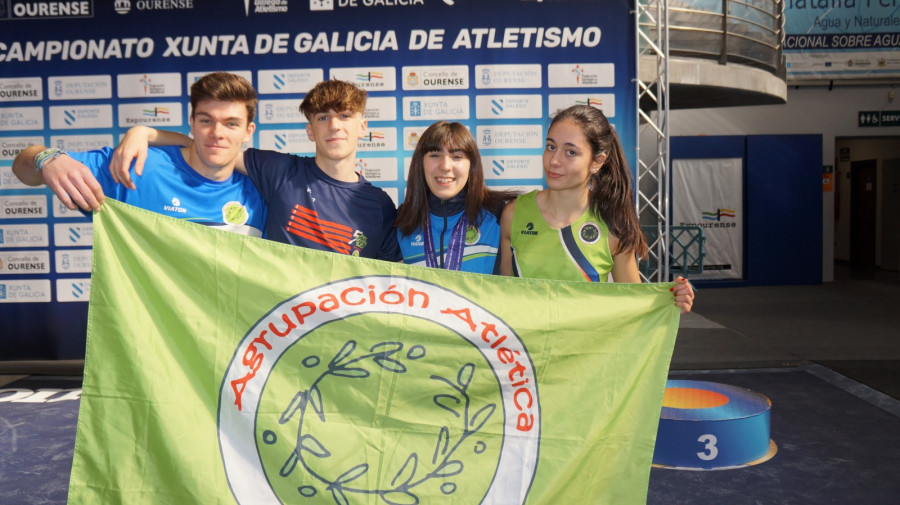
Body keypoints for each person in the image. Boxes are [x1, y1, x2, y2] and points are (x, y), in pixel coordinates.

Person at [113, 79, 401, 260]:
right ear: (310, 131)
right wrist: (146, 133)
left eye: (345, 116)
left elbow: (390, 280)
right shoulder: (279, 170)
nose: (334, 126)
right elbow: (208, 147)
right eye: (323, 117)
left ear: (363, 127)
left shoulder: (380, 205)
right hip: (279, 332)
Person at [12, 71, 266, 237]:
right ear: (192, 122)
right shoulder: (136, 168)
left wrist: (146, 131)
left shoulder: (266, 187)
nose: (217, 133)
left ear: (248, 131)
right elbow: (23, 170)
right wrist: (47, 158)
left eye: (231, 124)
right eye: (206, 121)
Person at [499, 105, 694, 313]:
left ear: (597, 162)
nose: (554, 161)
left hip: (585, 345)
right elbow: (502, 295)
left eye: (570, 152)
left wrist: (670, 301)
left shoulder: (612, 224)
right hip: (521, 345)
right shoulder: (513, 214)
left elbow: (634, 303)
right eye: (551, 147)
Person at [395, 121, 517, 274]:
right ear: (421, 163)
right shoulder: (403, 219)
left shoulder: (499, 215)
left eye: (457, 156)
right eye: (435, 155)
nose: (445, 166)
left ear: (471, 165)